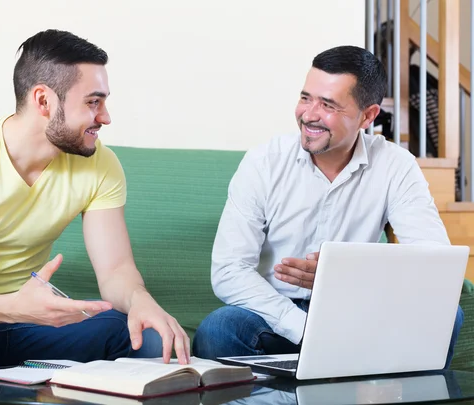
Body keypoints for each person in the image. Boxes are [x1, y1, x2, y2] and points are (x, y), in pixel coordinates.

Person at [0, 29, 190, 403]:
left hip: (35, 324)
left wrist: (141, 300)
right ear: (44, 100)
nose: (106, 117)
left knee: (149, 337)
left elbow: (115, 271)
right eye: (93, 102)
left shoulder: (100, 164)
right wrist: (11, 306)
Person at [192, 45, 463, 368]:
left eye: (328, 105)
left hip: (359, 312)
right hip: (275, 312)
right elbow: (228, 271)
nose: (309, 114)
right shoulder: (263, 162)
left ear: (368, 115)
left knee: (444, 313)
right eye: (306, 98)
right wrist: (302, 327)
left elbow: (435, 264)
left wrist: (347, 276)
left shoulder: (395, 165)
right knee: (219, 329)